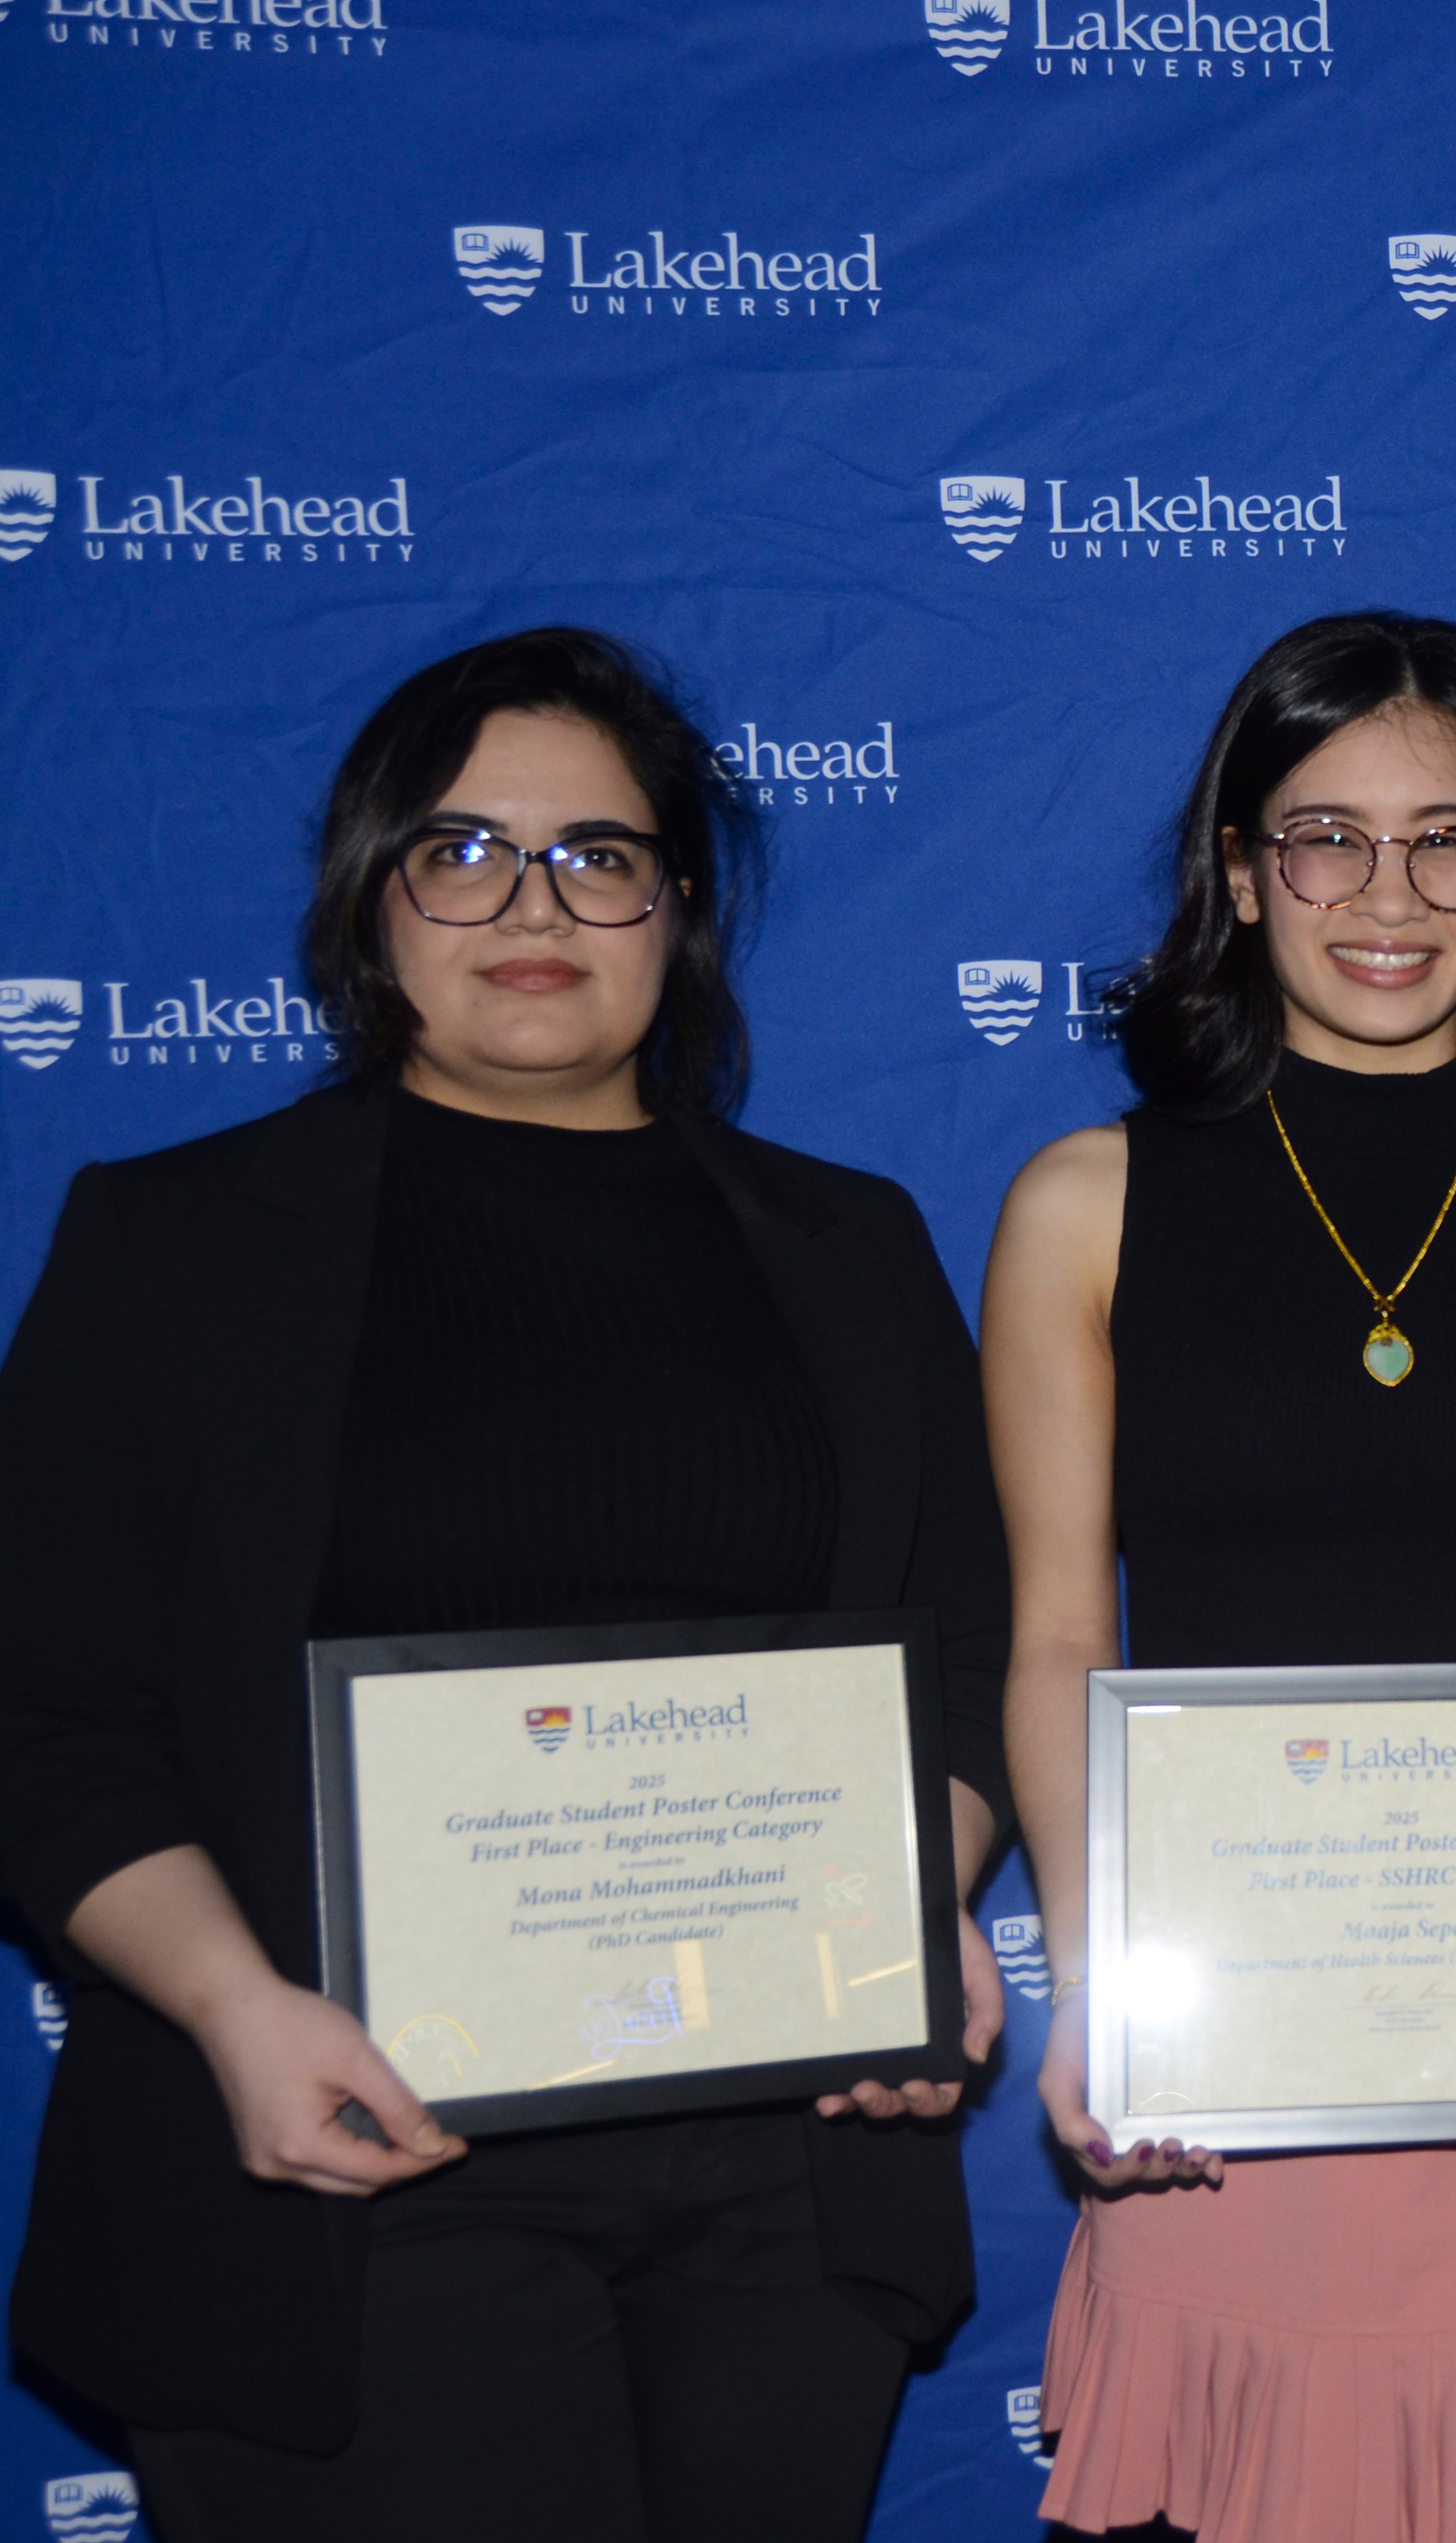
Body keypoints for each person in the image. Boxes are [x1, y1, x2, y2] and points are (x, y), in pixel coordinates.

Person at [0, 627, 1016, 2543]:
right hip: (347, 2165)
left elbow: (964, 1654)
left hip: (780, 2177)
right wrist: (233, 2008)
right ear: (372, 900)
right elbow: (45, 1710)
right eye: (461, 854)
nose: (530, 905)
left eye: (598, 856)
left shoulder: (849, 1246)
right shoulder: (173, 1247)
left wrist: (912, 1894)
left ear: (679, 908)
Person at [982, 612, 1456, 2543]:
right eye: (1325, 837)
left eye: (1447, 842)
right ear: (1242, 875)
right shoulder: (1088, 1207)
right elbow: (1064, 1633)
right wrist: (1110, 1992)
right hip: (1231, 2068)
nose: (1384, 894)